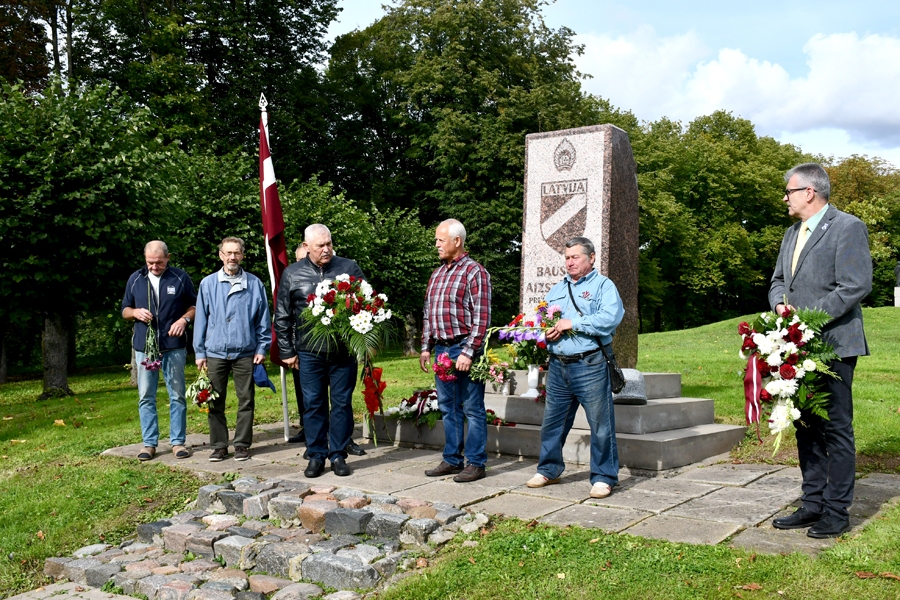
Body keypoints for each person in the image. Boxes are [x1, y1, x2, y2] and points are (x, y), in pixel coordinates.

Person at [769, 163, 872, 538]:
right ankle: (812, 503)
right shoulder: (790, 234)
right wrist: (781, 306)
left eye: (789, 191)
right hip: (795, 347)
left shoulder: (847, 227)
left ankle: (836, 510)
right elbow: (779, 281)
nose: (785, 197)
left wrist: (806, 321)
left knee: (835, 428)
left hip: (833, 344)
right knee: (806, 425)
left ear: (809, 192)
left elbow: (855, 285)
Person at [524, 237, 624, 499]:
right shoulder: (557, 289)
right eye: (567, 258)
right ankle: (548, 469)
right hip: (558, 366)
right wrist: (546, 332)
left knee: (600, 424)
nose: (570, 262)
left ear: (591, 258)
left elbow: (610, 318)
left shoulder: (604, 286)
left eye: (575, 257)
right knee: (552, 423)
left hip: (590, 363)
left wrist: (573, 323)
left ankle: (604, 477)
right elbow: (543, 318)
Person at [274, 224, 366, 478]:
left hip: (342, 351)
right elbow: (282, 316)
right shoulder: (292, 274)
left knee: (341, 403)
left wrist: (362, 341)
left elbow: (366, 303)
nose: (326, 250)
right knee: (313, 404)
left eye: (329, 244)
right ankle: (316, 455)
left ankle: (338, 454)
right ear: (306, 247)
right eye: (320, 246)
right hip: (308, 352)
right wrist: (287, 351)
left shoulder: (348, 267)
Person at [419, 219, 492, 483]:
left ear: (457, 241)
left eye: (441, 239)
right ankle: (452, 459)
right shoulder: (437, 273)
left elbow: (482, 318)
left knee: (472, 407)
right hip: (441, 349)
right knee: (448, 407)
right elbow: (428, 314)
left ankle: (476, 463)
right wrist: (426, 347)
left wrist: (469, 351)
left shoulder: (475, 272)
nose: (436, 244)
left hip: (464, 347)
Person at [194, 237, 271, 462]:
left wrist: (262, 348)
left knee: (246, 400)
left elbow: (263, 321)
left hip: (246, 352)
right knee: (214, 400)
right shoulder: (208, 284)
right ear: (221, 255)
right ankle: (218, 446)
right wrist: (200, 352)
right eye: (228, 253)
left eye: (236, 253)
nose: (232, 257)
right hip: (215, 351)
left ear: (242, 255)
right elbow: (200, 320)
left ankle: (241, 445)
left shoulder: (255, 284)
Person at [121, 241, 196, 461]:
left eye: (159, 262)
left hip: (174, 345)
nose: (154, 267)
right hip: (145, 347)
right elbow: (124, 309)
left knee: (177, 395)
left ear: (168, 257)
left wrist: (184, 320)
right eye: (150, 262)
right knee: (146, 395)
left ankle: (178, 442)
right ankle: (149, 443)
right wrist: (135, 312)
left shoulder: (180, 277)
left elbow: (195, 305)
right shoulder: (135, 279)